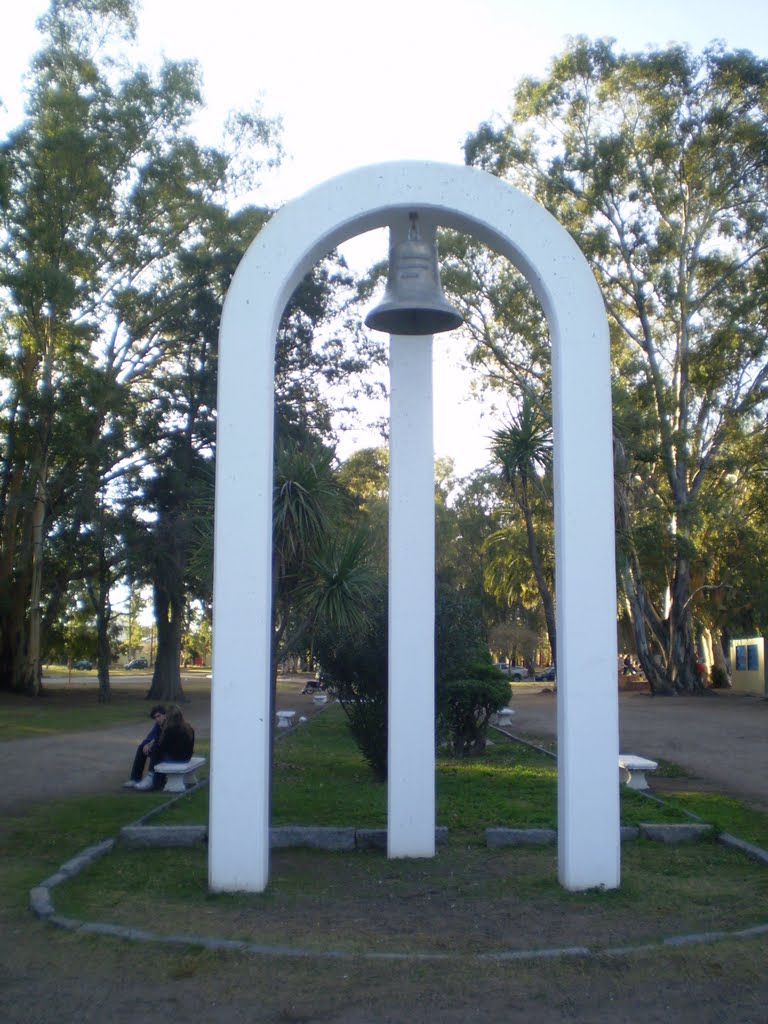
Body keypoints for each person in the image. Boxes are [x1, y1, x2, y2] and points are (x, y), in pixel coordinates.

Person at [134, 704, 195, 791]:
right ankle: (156, 779)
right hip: (186, 758)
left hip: (177, 759)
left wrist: (153, 745)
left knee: (155, 750)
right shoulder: (189, 728)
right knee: (156, 750)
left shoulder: (170, 729)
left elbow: (162, 746)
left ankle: (151, 777)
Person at [123, 705, 166, 788]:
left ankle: (150, 777)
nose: (157, 719)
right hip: (161, 751)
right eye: (155, 717)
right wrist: (146, 744)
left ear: (165, 715)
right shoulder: (158, 725)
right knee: (141, 747)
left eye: (159, 716)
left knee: (155, 747)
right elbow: (150, 736)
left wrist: (152, 743)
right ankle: (135, 778)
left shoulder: (170, 724)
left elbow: (164, 740)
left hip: (171, 754)